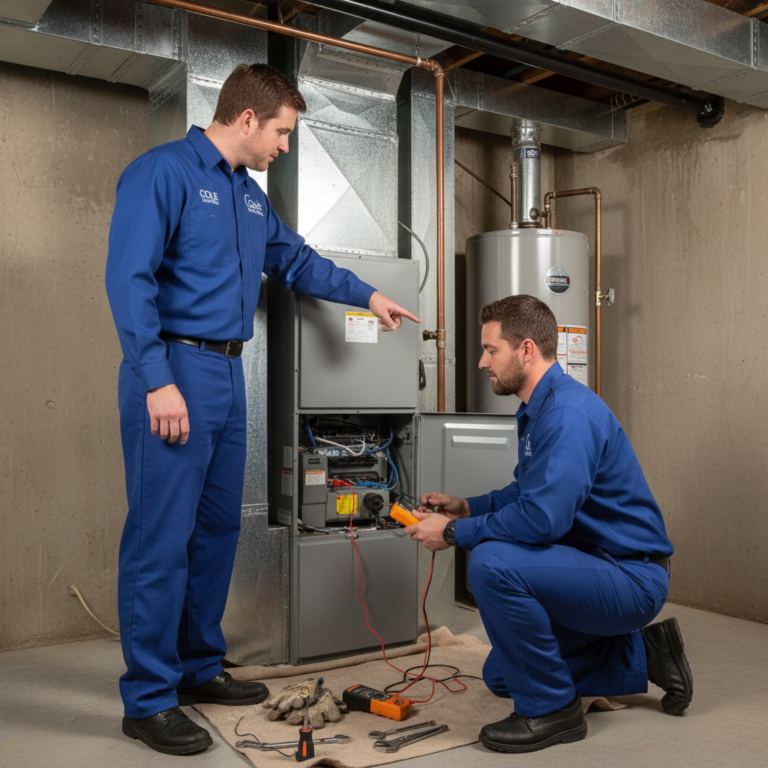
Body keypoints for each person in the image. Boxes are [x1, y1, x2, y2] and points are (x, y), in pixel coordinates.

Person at [105, 63, 419, 756]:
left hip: (224, 372)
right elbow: (127, 280)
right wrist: (155, 377)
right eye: (281, 131)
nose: (284, 145)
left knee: (217, 531)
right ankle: (148, 698)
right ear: (246, 119)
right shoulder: (163, 173)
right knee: (161, 538)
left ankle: (195, 667)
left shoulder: (249, 199)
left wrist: (367, 295)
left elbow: (298, 261)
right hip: (172, 370)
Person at [405, 294, 692, 753]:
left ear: (526, 351)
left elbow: (541, 520)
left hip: (630, 575)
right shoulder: (542, 408)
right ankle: (642, 654)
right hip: (592, 565)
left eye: (490, 350)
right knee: (501, 673)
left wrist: (455, 534)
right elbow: (528, 494)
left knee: (492, 562)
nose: (482, 362)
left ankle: (553, 712)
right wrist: (466, 507)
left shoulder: (567, 414)